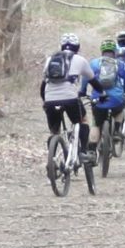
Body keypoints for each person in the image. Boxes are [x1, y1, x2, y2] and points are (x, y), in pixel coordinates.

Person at [39, 32, 89, 161]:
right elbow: (93, 80)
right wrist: (101, 92)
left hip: (50, 100)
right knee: (82, 121)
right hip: (71, 99)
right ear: (77, 47)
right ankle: (83, 152)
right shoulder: (80, 60)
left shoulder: (50, 59)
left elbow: (43, 85)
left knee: (54, 132)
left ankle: (52, 159)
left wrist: (45, 102)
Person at [84, 37, 125, 159]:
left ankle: (92, 151)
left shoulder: (93, 64)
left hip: (98, 100)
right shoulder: (120, 64)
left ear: (102, 51)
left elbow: (86, 79)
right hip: (116, 100)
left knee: (96, 123)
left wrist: (83, 91)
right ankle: (116, 131)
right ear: (115, 51)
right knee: (120, 109)